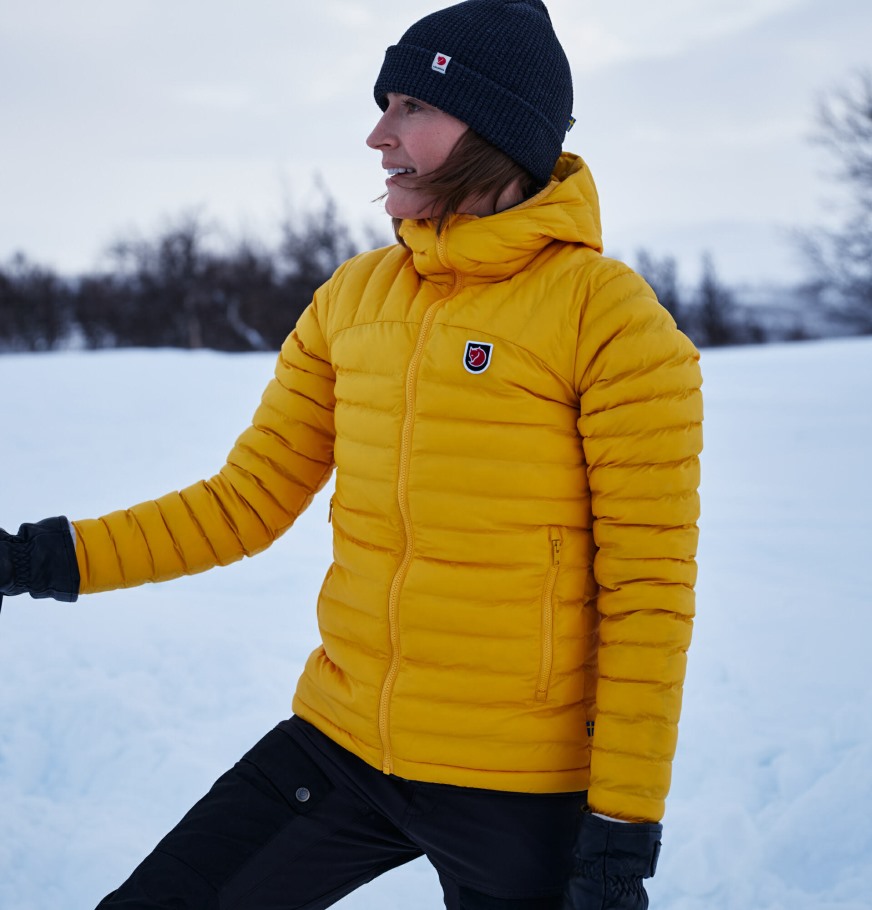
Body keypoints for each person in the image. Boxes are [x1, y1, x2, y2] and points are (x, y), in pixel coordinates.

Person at [0, 1, 703, 907]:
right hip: (341, 743)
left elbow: (648, 594)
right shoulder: (354, 300)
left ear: (492, 130)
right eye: (385, 105)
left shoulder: (608, 321)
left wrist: (619, 833)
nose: (377, 135)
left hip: (518, 783)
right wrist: (30, 558)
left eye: (412, 106)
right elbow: (241, 502)